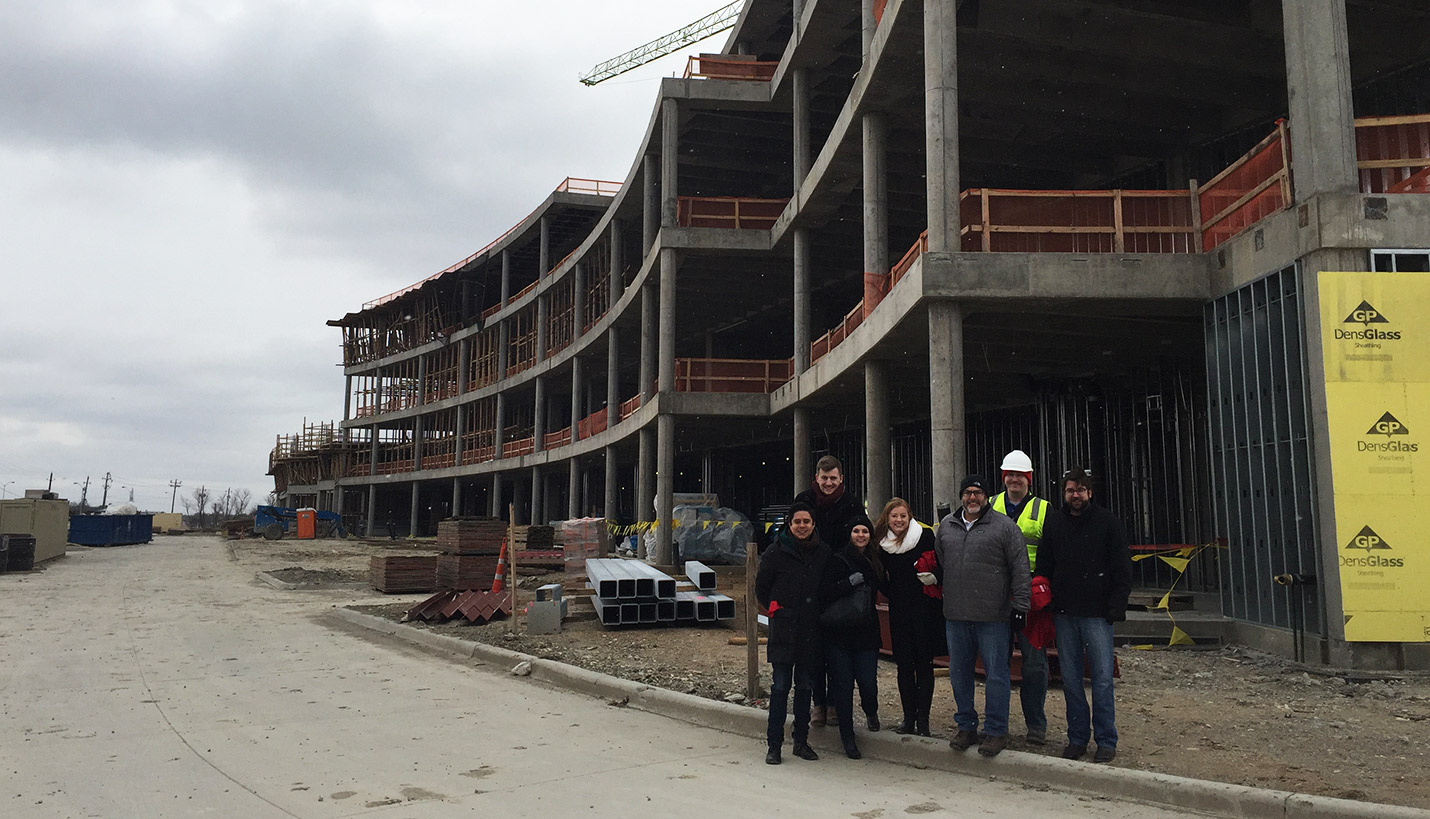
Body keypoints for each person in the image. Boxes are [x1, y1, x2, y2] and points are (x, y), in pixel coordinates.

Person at [1035, 467, 1132, 764]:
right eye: (1069, 490)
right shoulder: (1054, 523)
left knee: (1102, 680)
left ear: (1089, 493)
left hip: (1098, 615)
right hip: (1064, 614)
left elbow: (1122, 568)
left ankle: (1105, 740)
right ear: (1063, 493)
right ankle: (1077, 738)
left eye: (1079, 490)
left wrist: (1117, 604)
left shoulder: (1108, 523)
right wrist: (1043, 595)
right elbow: (1044, 564)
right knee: (1072, 680)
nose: (1074, 495)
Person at [934, 474, 1030, 758]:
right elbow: (943, 562)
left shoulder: (1004, 527)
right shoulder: (948, 527)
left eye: (977, 493)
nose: (972, 498)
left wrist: (1020, 607)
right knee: (959, 674)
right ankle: (966, 726)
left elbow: (1020, 569)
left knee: (997, 675)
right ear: (961, 496)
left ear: (987, 496)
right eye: (967, 493)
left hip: (993, 617)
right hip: (956, 616)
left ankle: (996, 730)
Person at [792, 454, 866, 727]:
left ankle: (836, 703)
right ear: (816, 478)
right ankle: (818, 704)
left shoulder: (852, 504)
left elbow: (861, 539)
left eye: (833, 478)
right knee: (814, 651)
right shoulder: (804, 501)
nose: (828, 483)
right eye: (824, 478)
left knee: (838, 650)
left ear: (841, 478)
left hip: (841, 583)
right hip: (811, 582)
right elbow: (792, 536)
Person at [755, 501, 830, 765]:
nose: (801, 526)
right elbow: (761, 588)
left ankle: (801, 741)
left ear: (813, 524)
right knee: (780, 687)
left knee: (805, 688)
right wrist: (776, 609)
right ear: (790, 524)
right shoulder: (775, 553)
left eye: (806, 522)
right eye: (797, 522)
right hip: (784, 631)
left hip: (811, 631)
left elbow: (828, 589)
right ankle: (774, 745)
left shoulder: (823, 553)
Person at [990, 449, 1051, 746]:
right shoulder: (990, 505)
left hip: (1030, 597)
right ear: (1004, 478)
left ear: (1028, 478)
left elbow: (1052, 554)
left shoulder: (1043, 509)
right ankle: (997, 724)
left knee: (1034, 663)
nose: (1014, 480)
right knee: (996, 662)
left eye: (1019, 476)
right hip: (996, 594)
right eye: (1010, 475)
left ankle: (1036, 725)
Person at [873, 497, 942, 736]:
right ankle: (907, 719)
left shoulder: (924, 536)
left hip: (924, 609)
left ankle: (923, 721)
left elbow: (938, 565)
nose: (899, 520)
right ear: (887, 519)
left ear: (909, 516)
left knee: (924, 665)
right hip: (899, 610)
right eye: (894, 516)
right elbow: (880, 575)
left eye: (903, 516)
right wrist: (892, 593)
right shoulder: (882, 544)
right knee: (903, 666)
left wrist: (934, 579)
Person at [819, 513, 882, 759]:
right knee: (843, 689)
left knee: (868, 684)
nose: (861, 536)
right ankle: (848, 737)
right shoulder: (837, 560)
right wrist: (849, 582)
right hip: (839, 635)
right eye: (856, 531)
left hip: (866, 634)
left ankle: (871, 711)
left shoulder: (876, 560)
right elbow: (824, 592)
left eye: (865, 532)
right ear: (850, 534)